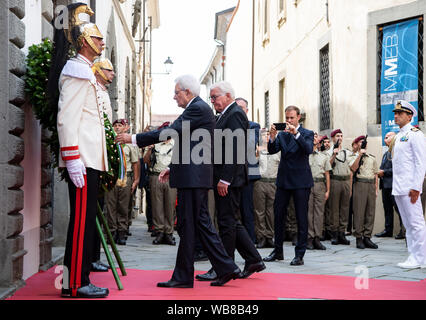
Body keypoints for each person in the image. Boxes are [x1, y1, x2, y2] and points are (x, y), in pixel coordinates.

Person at [116, 75, 241, 287]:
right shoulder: (197, 109)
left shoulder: (197, 108)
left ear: (188, 92)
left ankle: (191, 274)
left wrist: (134, 138)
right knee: (196, 224)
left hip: (194, 179)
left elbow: (171, 132)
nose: (174, 97)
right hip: (191, 176)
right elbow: (189, 144)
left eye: (176, 93)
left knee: (190, 226)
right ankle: (225, 267)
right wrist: (173, 169)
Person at [48, 3, 109, 298]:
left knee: (84, 223)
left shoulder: (85, 70)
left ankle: (79, 279)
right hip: (81, 159)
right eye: (97, 38)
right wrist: (72, 158)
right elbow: (67, 118)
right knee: (81, 224)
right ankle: (75, 284)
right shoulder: (77, 70)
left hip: (89, 158)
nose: (102, 43)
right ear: (84, 40)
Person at [196, 81, 265, 282]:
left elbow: (235, 149)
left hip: (229, 179)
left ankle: (224, 268)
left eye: (215, 96)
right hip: (227, 177)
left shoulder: (234, 113)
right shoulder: (227, 113)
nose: (212, 100)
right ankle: (253, 259)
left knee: (226, 223)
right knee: (232, 221)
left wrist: (225, 179)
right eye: (211, 97)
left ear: (227, 95)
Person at [263, 105, 314, 266]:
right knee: (278, 215)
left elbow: (308, 149)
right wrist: (272, 137)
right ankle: (278, 251)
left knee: (301, 217)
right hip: (284, 180)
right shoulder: (283, 135)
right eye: (287, 118)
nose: (289, 121)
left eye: (292, 118)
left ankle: (299, 254)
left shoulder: (307, 133)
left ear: (298, 117)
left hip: (301, 181)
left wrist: (296, 134)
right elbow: (272, 150)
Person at [391, 100, 426, 269]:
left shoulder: (415, 134)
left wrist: (416, 187)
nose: (396, 116)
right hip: (399, 187)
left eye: (400, 113)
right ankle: (413, 255)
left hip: (410, 188)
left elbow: (421, 163)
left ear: (409, 116)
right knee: (408, 224)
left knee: (416, 223)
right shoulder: (398, 136)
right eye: (395, 113)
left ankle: (421, 257)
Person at [90, 57, 115, 272]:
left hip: (102, 154)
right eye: (109, 70)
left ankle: (94, 256)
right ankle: (90, 258)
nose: (113, 74)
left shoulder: (103, 91)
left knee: (98, 209)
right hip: (94, 153)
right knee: (91, 212)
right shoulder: (93, 90)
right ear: (98, 71)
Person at [105, 119, 139, 245]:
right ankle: (112, 232)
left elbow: (135, 163)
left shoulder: (130, 144)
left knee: (123, 206)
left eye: (120, 125)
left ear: (125, 128)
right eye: (115, 126)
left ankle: (122, 232)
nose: (117, 128)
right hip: (112, 177)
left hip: (126, 177)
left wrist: (136, 180)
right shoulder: (109, 141)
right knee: (111, 205)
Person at [236, 97, 260, 243]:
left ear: (247, 110)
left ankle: (250, 242)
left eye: (241, 108)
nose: (239, 111)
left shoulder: (253, 126)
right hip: (231, 175)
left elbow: (250, 145)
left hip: (247, 175)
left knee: (247, 211)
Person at [145, 136, 177, 245]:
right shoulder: (155, 145)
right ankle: (159, 231)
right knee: (156, 205)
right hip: (156, 175)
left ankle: (168, 232)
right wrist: (149, 149)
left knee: (170, 205)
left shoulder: (176, 145)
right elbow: (146, 161)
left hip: (171, 177)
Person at [349, 136, 379, 249]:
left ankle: (367, 236)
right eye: (361, 142)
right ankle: (359, 237)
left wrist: (376, 188)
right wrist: (360, 155)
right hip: (360, 184)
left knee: (370, 212)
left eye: (364, 142)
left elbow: (376, 174)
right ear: (357, 144)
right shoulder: (354, 157)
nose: (363, 143)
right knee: (359, 211)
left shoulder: (372, 158)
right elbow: (353, 168)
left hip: (370, 184)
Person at [253, 129, 280, 249]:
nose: (267, 136)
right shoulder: (257, 150)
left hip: (273, 183)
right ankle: (261, 237)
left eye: (269, 134)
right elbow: (252, 166)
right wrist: (256, 154)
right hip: (260, 182)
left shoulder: (277, 151)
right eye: (264, 135)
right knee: (259, 211)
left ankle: (270, 236)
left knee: (271, 211)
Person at [375, 131, 405, 239]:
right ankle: (388, 230)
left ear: (394, 138)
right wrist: (379, 173)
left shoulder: (397, 152)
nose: (385, 139)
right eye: (384, 137)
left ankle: (404, 231)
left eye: (387, 137)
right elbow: (382, 167)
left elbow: (399, 168)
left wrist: (384, 172)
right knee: (387, 209)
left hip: (394, 185)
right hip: (385, 186)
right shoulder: (386, 153)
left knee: (399, 208)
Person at [327, 129, 352, 245]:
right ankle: (334, 233)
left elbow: (351, 169)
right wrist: (334, 154)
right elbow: (327, 166)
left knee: (344, 208)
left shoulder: (347, 152)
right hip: (335, 180)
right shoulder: (328, 152)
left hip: (346, 180)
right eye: (337, 136)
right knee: (334, 208)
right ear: (333, 138)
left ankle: (342, 232)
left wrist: (350, 186)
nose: (340, 138)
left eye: (341, 136)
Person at [307, 133, 331, 250]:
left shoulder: (323, 156)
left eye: (316, 137)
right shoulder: (304, 155)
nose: (314, 139)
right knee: (309, 212)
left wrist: (328, 190)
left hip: (320, 185)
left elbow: (327, 174)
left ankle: (317, 237)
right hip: (308, 184)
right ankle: (309, 238)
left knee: (319, 212)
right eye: (312, 137)